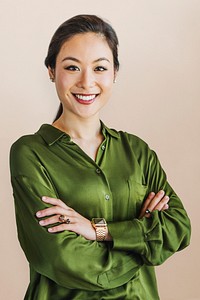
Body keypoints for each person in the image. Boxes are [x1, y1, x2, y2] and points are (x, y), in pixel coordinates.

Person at [10, 14, 191, 300]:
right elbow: (60, 257)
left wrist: (98, 231)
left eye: (100, 68)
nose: (86, 81)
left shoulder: (137, 151)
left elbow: (179, 228)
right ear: (51, 70)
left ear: (115, 73)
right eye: (72, 67)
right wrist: (141, 245)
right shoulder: (31, 154)